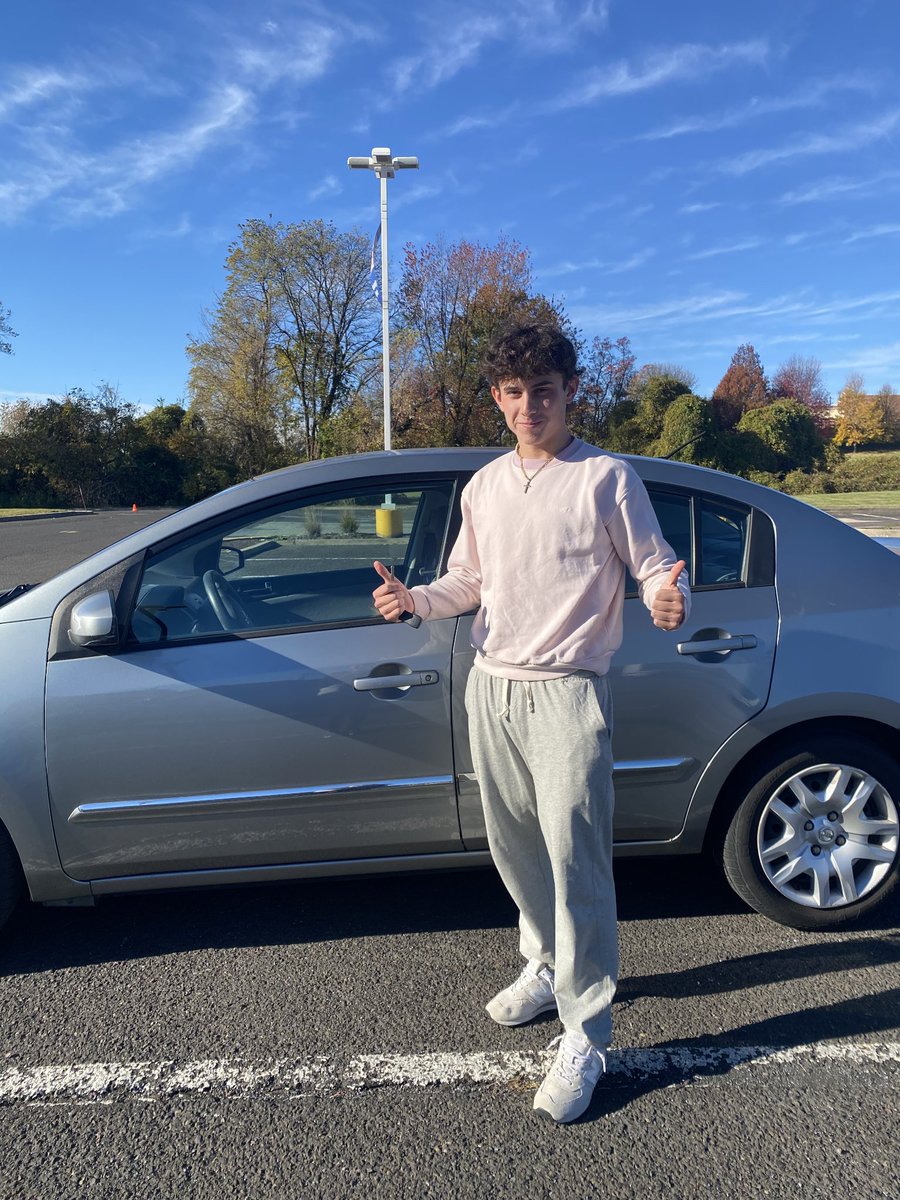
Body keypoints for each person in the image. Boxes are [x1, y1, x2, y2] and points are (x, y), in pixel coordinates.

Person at [372, 319, 689, 1123]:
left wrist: (664, 599)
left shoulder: (606, 479)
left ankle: (587, 1031)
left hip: (566, 698)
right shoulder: (483, 486)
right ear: (496, 398)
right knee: (516, 853)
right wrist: (415, 602)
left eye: (542, 390)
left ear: (570, 389)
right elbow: (465, 580)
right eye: (513, 393)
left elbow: (655, 569)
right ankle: (545, 965)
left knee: (575, 862)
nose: (527, 407)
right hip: (492, 687)